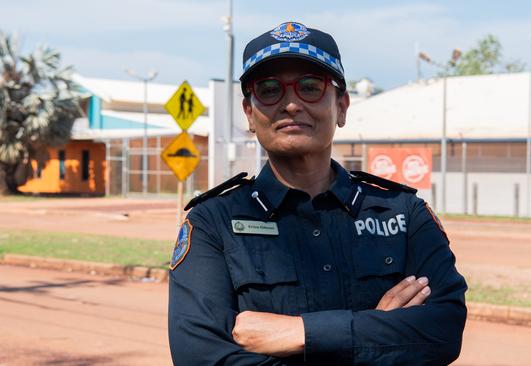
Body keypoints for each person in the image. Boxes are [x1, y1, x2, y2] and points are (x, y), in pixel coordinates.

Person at [168, 21, 467, 365]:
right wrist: (378, 334)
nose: (291, 104)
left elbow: (443, 331)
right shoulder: (213, 223)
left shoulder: (403, 214)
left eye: (310, 87)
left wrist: (300, 334)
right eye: (268, 89)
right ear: (249, 113)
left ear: (341, 107)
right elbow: (199, 356)